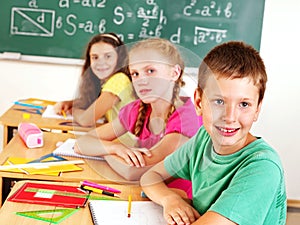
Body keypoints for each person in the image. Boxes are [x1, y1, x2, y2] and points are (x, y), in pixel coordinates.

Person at [140, 41, 287, 225]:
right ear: (199, 102)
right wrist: (170, 200)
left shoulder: (263, 167)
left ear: (257, 109)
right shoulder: (204, 139)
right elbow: (150, 177)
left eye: (244, 104)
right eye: (218, 101)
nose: (229, 117)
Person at [74, 38, 202, 197]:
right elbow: (81, 144)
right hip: (143, 194)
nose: (141, 80)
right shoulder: (136, 110)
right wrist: (116, 148)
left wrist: (102, 150)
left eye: (150, 71)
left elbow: (132, 171)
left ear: (174, 73)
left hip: (177, 201)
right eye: (135, 73)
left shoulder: (188, 118)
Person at [53, 32, 135, 126]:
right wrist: (69, 103)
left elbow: (86, 121)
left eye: (108, 56)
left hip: (126, 140)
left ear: (119, 58)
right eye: (95, 57)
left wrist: (74, 110)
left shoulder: (119, 80)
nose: (101, 62)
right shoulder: (110, 81)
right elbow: (95, 103)